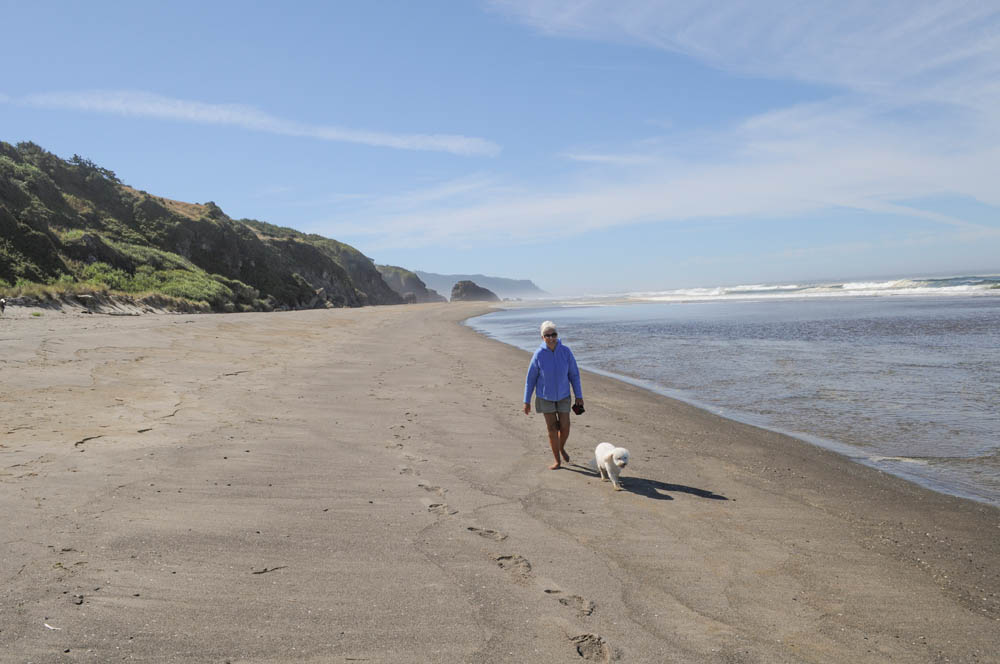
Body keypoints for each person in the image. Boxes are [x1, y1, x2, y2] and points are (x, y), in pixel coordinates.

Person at [523, 320, 584, 469]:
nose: (551, 338)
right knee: (552, 429)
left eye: (553, 334)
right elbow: (530, 379)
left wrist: (579, 395)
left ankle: (561, 447)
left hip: (563, 395)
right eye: (547, 335)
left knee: (565, 426)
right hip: (545, 397)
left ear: (557, 335)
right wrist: (526, 400)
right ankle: (557, 460)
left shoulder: (566, 351)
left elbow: (574, 375)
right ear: (542, 337)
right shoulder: (538, 354)